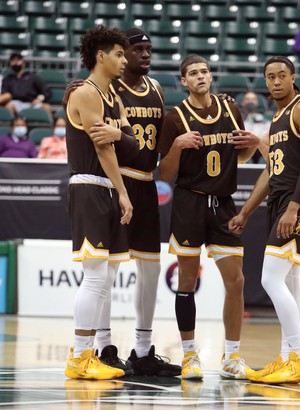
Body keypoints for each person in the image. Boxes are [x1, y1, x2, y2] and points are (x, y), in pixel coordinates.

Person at [158, 54, 260, 380]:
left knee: (237, 280)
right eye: (193, 73)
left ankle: (231, 357)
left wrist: (253, 145)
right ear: (184, 81)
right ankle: (190, 356)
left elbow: (240, 155)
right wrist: (176, 145)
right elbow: (165, 173)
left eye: (204, 71)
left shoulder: (230, 108)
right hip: (190, 202)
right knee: (187, 281)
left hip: (224, 204)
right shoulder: (174, 118)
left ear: (211, 75)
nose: (200, 76)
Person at [88, 27, 181, 377]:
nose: (144, 54)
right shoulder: (108, 90)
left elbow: (159, 143)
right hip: (116, 183)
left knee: (151, 269)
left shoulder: (156, 88)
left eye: (149, 48)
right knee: (108, 270)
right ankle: (104, 345)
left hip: (145, 184)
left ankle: (142, 350)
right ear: (122, 54)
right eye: (137, 49)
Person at [229, 55, 300, 384]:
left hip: (297, 202)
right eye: (270, 77)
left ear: (293, 77)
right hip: (280, 199)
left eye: (282, 75)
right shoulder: (277, 117)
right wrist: (245, 212)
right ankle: (288, 358)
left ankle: (298, 356)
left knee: (270, 279)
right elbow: (272, 172)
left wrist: (294, 206)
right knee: (292, 280)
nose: (276, 81)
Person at [64, 25, 136, 380]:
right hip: (91, 185)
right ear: (101, 56)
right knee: (94, 277)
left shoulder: (114, 98)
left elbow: (129, 141)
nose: (125, 60)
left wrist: (120, 132)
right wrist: (123, 192)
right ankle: (80, 355)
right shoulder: (86, 93)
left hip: (105, 186)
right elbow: (104, 146)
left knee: (106, 277)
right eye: (120, 54)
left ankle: (87, 353)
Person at [0, 52, 52, 117]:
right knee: (8, 106)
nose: (16, 63)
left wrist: (39, 98)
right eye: (13, 60)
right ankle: (13, 125)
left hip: (32, 103)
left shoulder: (32, 77)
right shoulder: (7, 79)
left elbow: (47, 91)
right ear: (10, 64)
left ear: (23, 63)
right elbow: (4, 94)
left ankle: (49, 126)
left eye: (18, 60)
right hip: (15, 103)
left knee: (47, 107)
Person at [240, 91, 271, 163]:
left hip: (259, 150)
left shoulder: (264, 121)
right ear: (242, 102)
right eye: (247, 99)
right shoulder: (238, 119)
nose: (250, 101)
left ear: (257, 102)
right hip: (243, 149)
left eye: (253, 99)